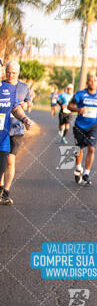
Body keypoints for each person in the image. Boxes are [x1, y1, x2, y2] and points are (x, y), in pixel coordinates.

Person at [0, 61, 33, 205]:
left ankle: (5, 191)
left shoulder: (13, 88)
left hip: (8, 133)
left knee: (8, 161)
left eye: (13, 72)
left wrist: (25, 118)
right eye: (8, 71)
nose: (10, 75)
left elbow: (15, 107)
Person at [68, 74, 97, 186]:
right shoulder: (80, 94)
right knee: (78, 148)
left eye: (95, 81)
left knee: (91, 148)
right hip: (80, 125)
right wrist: (78, 109)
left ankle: (86, 173)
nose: (93, 83)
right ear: (87, 83)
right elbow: (69, 106)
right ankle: (78, 167)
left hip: (93, 125)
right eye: (90, 81)